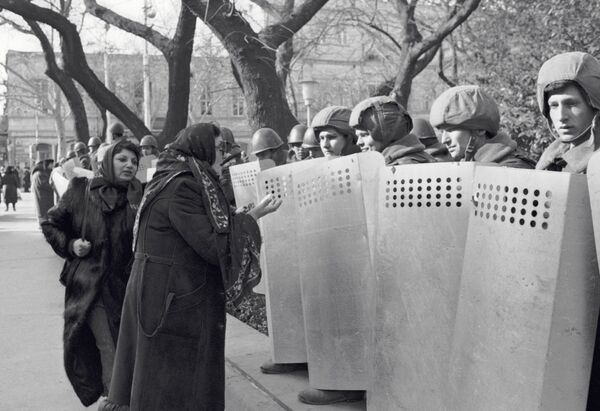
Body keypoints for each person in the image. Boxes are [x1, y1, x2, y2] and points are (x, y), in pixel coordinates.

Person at [100, 124, 281, 411]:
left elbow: (205, 230)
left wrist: (248, 215)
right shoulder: (183, 184)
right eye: (220, 149)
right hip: (172, 300)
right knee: (172, 387)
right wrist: (252, 219)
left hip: (163, 292)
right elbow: (212, 244)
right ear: (203, 148)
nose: (224, 155)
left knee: (159, 381)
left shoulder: (175, 176)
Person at [42, 141, 142, 407]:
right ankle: (115, 401)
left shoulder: (138, 195)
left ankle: (123, 397)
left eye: (134, 161)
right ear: (108, 161)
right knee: (108, 345)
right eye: (122, 159)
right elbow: (51, 224)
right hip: (91, 287)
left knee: (128, 346)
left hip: (128, 286)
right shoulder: (80, 190)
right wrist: (71, 245)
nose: (129, 165)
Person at [430, 85, 535, 168]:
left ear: (480, 130)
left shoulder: (513, 169)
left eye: (450, 130)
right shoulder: (467, 167)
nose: (444, 140)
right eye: (442, 131)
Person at [535, 52, 600, 174]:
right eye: (553, 106)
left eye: (571, 104)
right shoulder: (551, 158)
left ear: (595, 106)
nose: (561, 116)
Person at [349, 96, 436, 164]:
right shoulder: (389, 162)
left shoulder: (404, 167)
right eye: (358, 136)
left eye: (364, 135)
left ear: (387, 133)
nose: (359, 142)